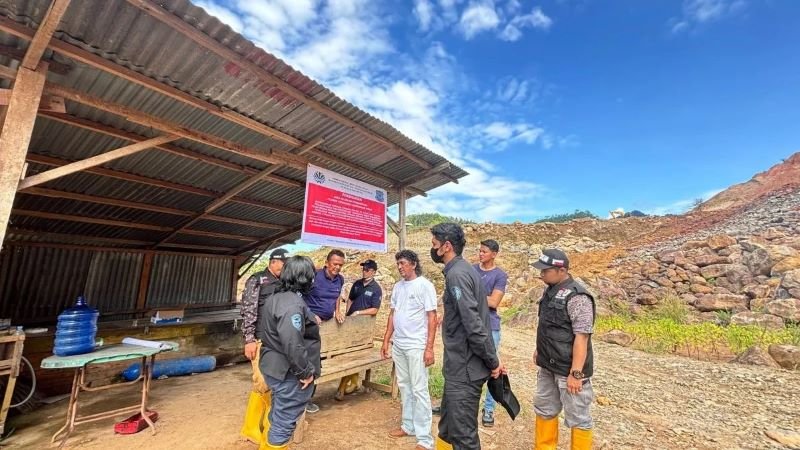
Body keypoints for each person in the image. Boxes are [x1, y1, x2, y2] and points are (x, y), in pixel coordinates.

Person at [430, 223, 505, 450]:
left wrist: (493, 361)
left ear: (447, 246)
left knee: (464, 436)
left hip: (465, 369)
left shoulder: (458, 275)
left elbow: (473, 324)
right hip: (458, 368)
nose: (432, 249)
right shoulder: (464, 269)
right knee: (448, 427)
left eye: (434, 244)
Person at [532, 249, 595, 450]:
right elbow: (547, 326)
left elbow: (582, 337)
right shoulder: (549, 291)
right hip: (547, 365)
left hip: (569, 369)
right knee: (544, 409)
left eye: (546, 270)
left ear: (562, 270)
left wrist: (576, 373)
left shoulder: (579, 297)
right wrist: (539, 350)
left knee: (578, 417)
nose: (541, 274)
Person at [256, 255, 321, 450]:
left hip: (273, 367)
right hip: (289, 373)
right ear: (303, 278)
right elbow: (292, 343)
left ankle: (267, 441)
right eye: (311, 276)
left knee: (278, 413)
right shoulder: (292, 305)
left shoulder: (275, 297)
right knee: (284, 423)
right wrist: (305, 372)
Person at [381, 250, 438, 450]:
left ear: (414, 264)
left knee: (419, 389)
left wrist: (429, 348)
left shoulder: (425, 286)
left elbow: (432, 317)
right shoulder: (397, 287)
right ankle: (408, 425)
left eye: (403, 263)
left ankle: (425, 439)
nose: (400, 267)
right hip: (400, 344)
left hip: (417, 345)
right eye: (398, 264)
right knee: (405, 386)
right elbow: (392, 314)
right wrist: (386, 339)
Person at [239, 248, 289, 443]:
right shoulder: (257, 279)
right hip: (260, 339)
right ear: (274, 261)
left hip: (278, 340)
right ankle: (251, 428)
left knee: (273, 381)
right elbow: (248, 310)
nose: (284, 268)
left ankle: (267, 424)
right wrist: (249, 339)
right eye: (282, 264)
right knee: (261, 380)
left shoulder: (284, 282)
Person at [302, 249, 346, 413]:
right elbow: (300, 298)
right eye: (335, 264)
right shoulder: (314, 276)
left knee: (317, 364)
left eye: (341, 265)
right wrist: (311, 316)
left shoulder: (340, 280)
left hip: (326, 328)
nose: (338, 267)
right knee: (308, 362)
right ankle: (303, 400)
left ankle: (308, 398)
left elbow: (336, 297)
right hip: (310, 325)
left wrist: (338, 311)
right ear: (327, 263)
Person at [335, 259, 383, 401]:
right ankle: (354, 383)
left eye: (367, 269)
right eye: (363, 269)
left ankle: (341, 388)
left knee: (353, 356)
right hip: (351, 325)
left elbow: (375, 309)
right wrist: (348, 313)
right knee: (346, 353)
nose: (364, 271)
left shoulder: (376, 289)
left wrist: (359, 313)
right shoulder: (357, 284)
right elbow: (350, 299)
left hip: (363, 327)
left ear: (373, 272)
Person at [474, 239, 508, 428]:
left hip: (491, 327)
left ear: (494, 254)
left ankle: (488, 408)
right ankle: (461, 403)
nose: (480, 254)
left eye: (484, 251)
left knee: (492, 368)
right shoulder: (471, 270)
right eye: (479, 251)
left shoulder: (500, 275)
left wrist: (471, 296)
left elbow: (494, 302)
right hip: (470, 325)